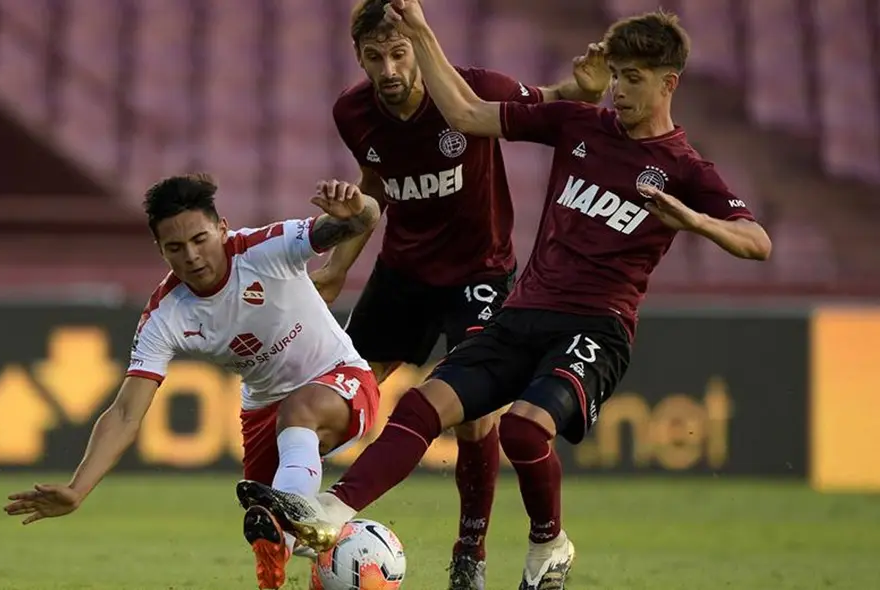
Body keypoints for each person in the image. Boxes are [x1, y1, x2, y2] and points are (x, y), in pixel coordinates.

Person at [237, 3, 772, 590]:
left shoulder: (687, 170)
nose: (617, 90)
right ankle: (330, 510)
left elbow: (757, 242)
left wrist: (696, 221)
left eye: (633, 79)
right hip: (523, 311)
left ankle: (547, 543)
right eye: (615, 76)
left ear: (669, 83)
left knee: (519, 430)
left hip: (596, 327)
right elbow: (467, 112)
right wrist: (418, 28)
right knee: (419, 406)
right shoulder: (578, 125)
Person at [306, 2, 610, 586]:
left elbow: (549, 98)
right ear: (359, 58)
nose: (389, 68)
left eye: (399, 53)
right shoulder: (353, 112)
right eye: (376, 57)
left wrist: (583, 88)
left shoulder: (471, 89)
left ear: (418, 48)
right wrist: (342, 262)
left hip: (480, 274)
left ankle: (470, 551)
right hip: (402, 274)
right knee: (344, 394)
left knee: (471, 417)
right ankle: (297, 513)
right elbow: (375, 183)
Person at [3, 174, 383, 590]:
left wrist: (358, 208)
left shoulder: (266, 247)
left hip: (340, 376)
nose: (192, 257)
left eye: (200, 239)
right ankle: (327, 549)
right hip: (263, 412)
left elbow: (362, 219)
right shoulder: (166, 315)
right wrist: (78, 489)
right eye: (175, 248)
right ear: (160, 250)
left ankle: (299, 512)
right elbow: (128, 411)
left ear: (222, 229)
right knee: (269, 542)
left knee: (299, 419)